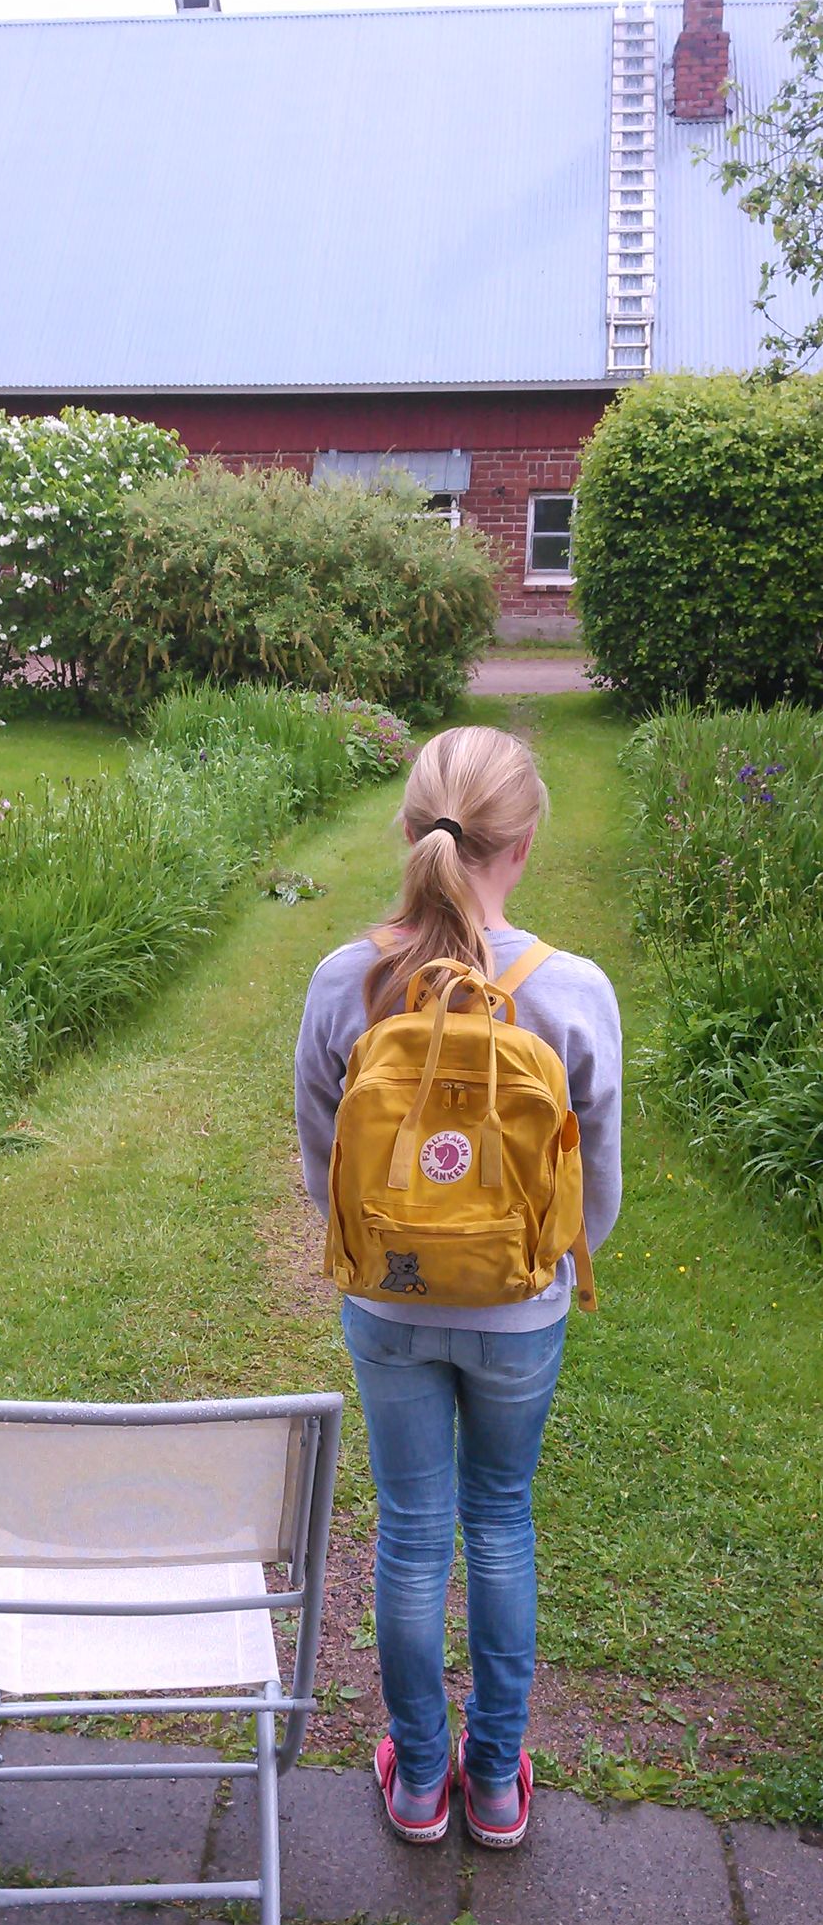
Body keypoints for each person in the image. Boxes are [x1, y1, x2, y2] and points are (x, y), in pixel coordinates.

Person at [294, 723, 621, 1848]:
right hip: (519, 1310)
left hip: (387, 1301)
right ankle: (495, 1784)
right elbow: (596, 1185)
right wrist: (540, 1269)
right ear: (522, 845)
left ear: (409, 832)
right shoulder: (571, 990)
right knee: (500, 1520)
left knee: (412, 1530)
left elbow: (323, 1163)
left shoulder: (346, 980)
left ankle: (418, 1780)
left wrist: (386, 1253)